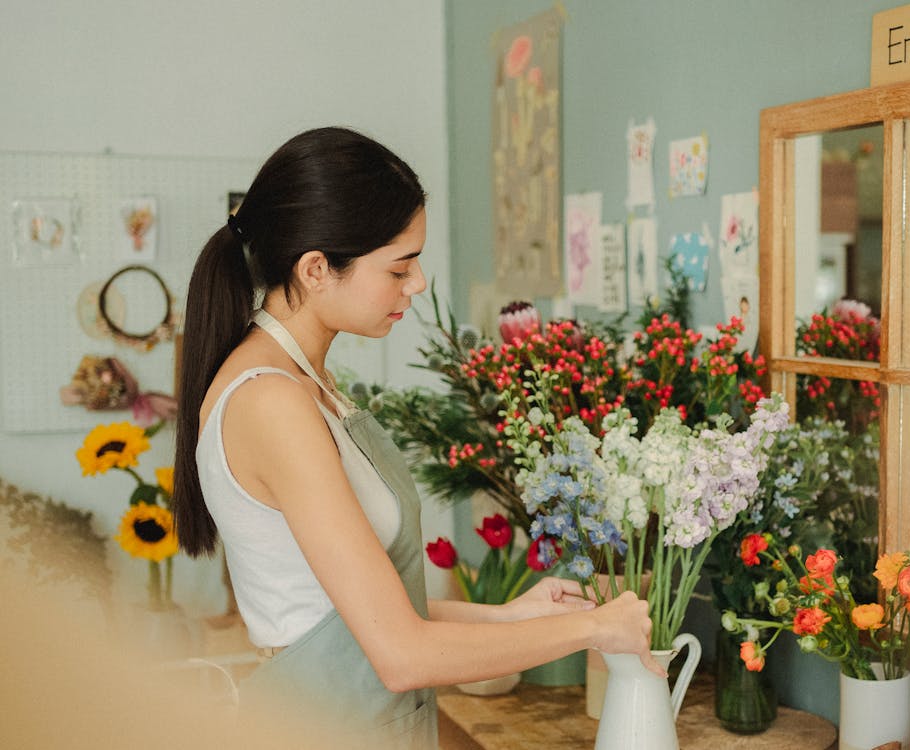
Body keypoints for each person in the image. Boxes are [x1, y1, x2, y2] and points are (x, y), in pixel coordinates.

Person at [171, 127, 659, 749]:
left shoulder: (309, 382)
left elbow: (364, 614)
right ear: (317, 269)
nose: (419, 282)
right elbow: (402, 653)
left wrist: (510, 616)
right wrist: (597, 629)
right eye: (399, 266)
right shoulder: (272, 402)